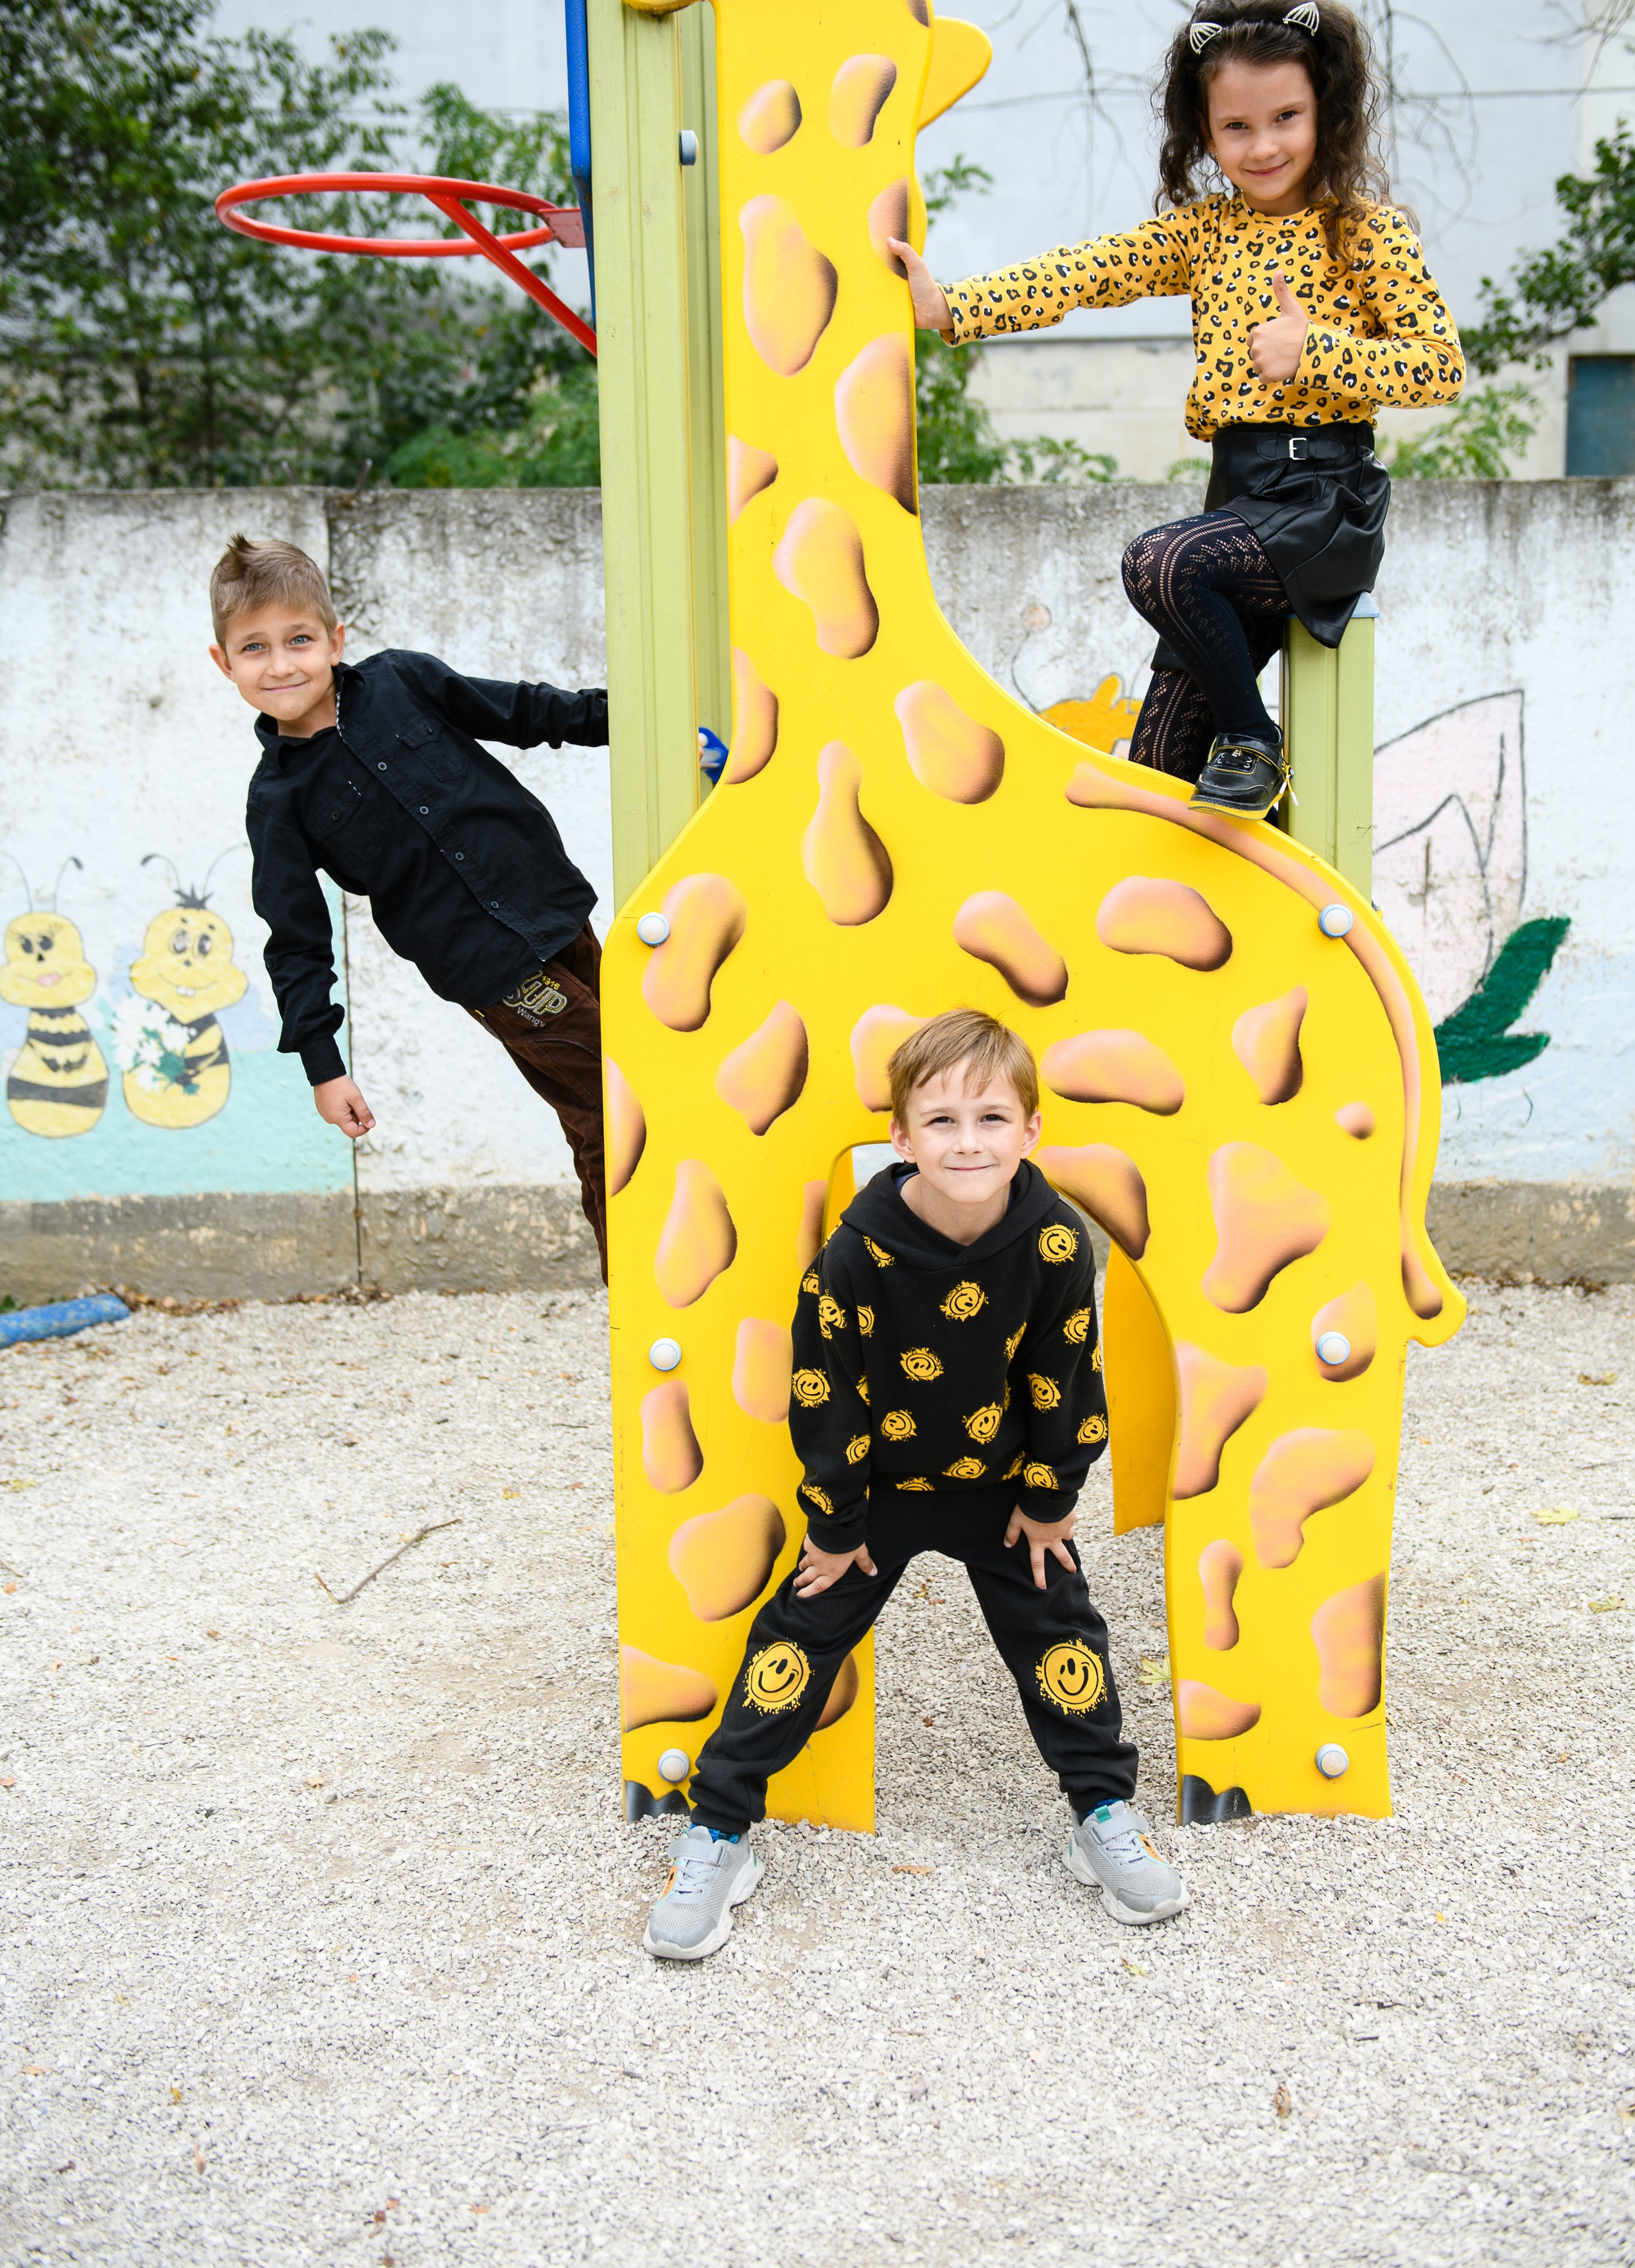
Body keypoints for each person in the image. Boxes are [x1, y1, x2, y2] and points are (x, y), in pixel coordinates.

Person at [643, 1009, 1185, 1962]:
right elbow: (825, 1393)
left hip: (1004, 1489)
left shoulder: (1056, 1243)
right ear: (899, 1137)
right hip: (880, 1494)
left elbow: (1069, 1374)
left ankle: (1102, 1813)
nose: (967, 1141)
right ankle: (720, 1831)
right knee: (800, 1636)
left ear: (1031, 1131)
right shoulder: (856, 1256)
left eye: (990, 1118)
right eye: (940, 1121)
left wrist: (1051, 1497)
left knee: (1062, 1628)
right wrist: (836, 1522)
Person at [890, 0, 1466, 819]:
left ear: (1326, 113)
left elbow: (1438, 367)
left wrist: (1318, 353)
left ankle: (1255, 744)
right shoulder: (1205, 234)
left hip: (1321, 504)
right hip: (1233, 510)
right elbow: (1085, 273)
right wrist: (956, 308)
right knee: (1159, 773)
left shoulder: (1365, 231)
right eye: (1237, 126)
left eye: (1286, 119)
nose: (1263, 145)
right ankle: (1251, 854)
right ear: (1206, 133)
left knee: (1156, 561)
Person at [208, 534, 613, 1277]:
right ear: (224, 663)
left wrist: (635, 724)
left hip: (557, 908)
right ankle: (652, 1287)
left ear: (334, 639)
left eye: (298, 639)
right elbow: (296, 943)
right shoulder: (277, 803)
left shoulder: (403, 682)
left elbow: (524, 712)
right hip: (494, 975)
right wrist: (325, 1067)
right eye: (254, 648)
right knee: (620, 1095)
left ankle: (664, 1281)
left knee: (616, 1098)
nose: (282, 663)